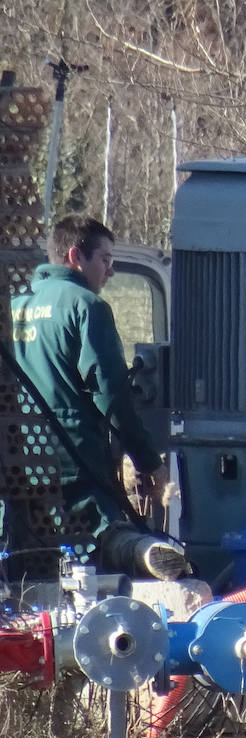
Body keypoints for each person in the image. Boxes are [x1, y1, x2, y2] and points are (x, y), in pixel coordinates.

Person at [10, 215, 183, 579]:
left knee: (24, 566)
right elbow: (112, 396)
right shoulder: (87, 307)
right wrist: (149, 462)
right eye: (105, 259)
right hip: (74, 463)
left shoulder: (16, 306)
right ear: (76, 256)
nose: (111, 270)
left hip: (17, 460)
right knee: (89, 563)